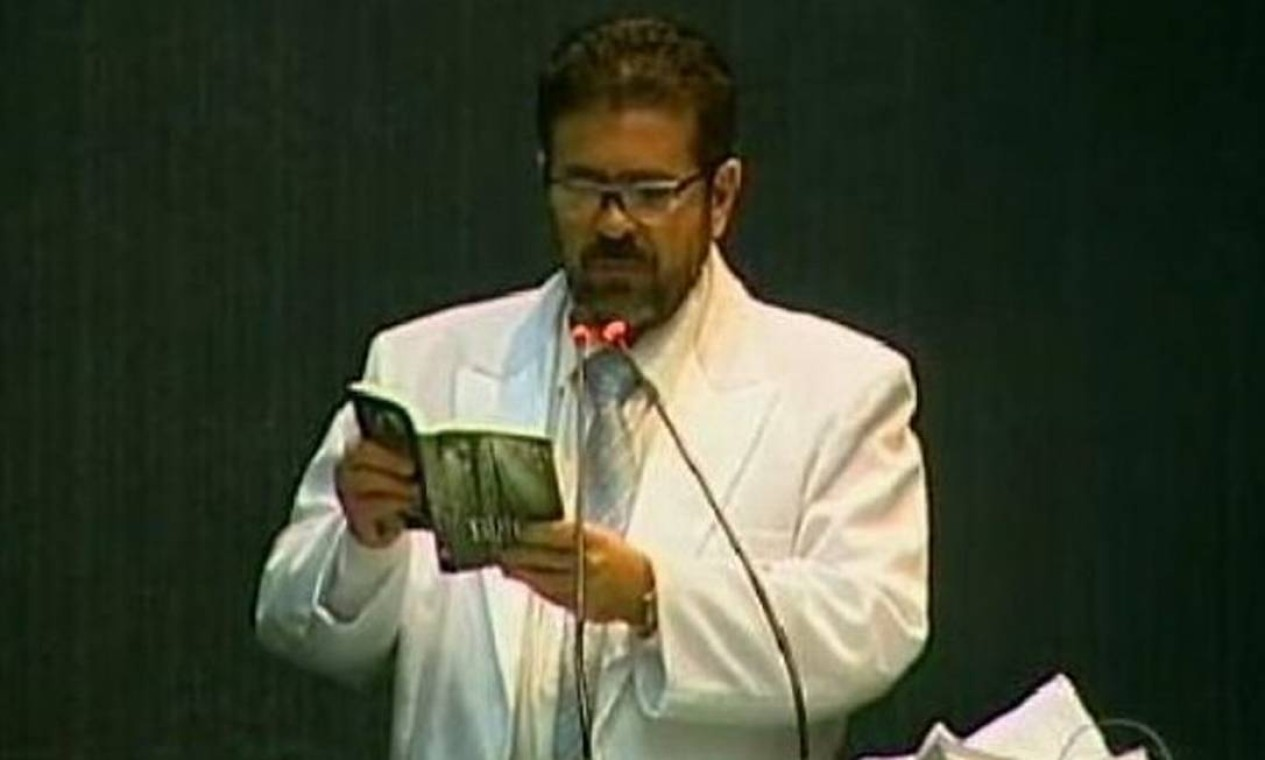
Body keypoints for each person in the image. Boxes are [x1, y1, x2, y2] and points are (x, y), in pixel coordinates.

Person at [255, 14, 928, 759]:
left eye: (649, 192)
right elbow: (295, 628)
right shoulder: (422, 366)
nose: (613, 225)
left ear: (721, 196)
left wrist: (649, 596)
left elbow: (874, 624)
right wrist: (363, 541)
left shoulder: (839, 388)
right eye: (583, 187)